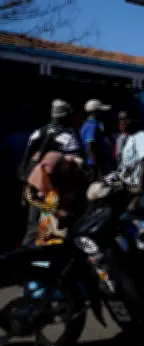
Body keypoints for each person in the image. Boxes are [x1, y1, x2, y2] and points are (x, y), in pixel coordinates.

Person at [18, 99, 84, 247]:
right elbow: (77, 165)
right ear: (67, 116)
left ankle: (27, 256)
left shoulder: (37, 133)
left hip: (33, 188)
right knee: (54, 231)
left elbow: (25, 163)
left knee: (33, 229)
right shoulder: (68, 137)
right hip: (55, 192)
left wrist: (25, 188)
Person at [24, 152, 90, 246]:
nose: (53, 179)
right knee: (34, 230)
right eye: (50, 176)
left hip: (67, 210)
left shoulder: (75, 174)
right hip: (44, 205)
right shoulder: (38, 176)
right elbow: (33, 198)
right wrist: (55, 211)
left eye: (56, 175)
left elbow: (82, 202)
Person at [116, 109, 144, 214]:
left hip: (137, 197)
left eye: (126, 119)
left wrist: (138, 195)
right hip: (128, 192)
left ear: (136, 120)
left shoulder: (142, 136)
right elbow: (125, 168)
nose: (123, 122)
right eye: (121, 120)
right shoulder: (129, 138)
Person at [80, 99, 116, 177]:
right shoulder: (92, 125)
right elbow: (90, 146)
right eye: (101, 111)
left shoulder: (86, 125)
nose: (103, 114)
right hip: (93, 167)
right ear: (95, 112)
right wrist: (97, 168)